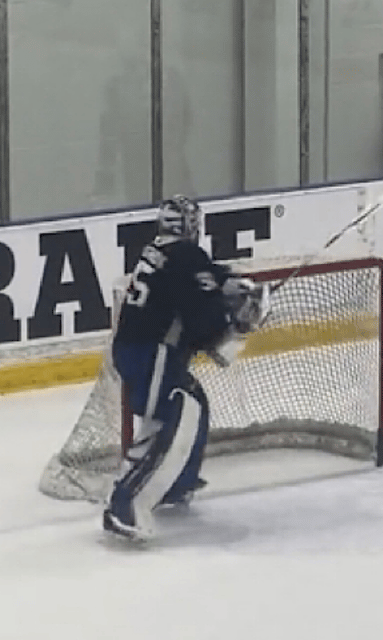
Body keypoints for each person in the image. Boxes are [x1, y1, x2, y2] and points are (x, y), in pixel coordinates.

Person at [103, 195, 263, 542]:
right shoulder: (188, 256)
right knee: (173, 418)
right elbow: (200, 320)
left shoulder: (161, 251)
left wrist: (227, 282)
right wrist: (235, 322)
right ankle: (126, 504)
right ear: (191, 226)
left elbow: (198, 281)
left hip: (137, 349)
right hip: (153, 353)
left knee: (194, 403)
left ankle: (176, 482)